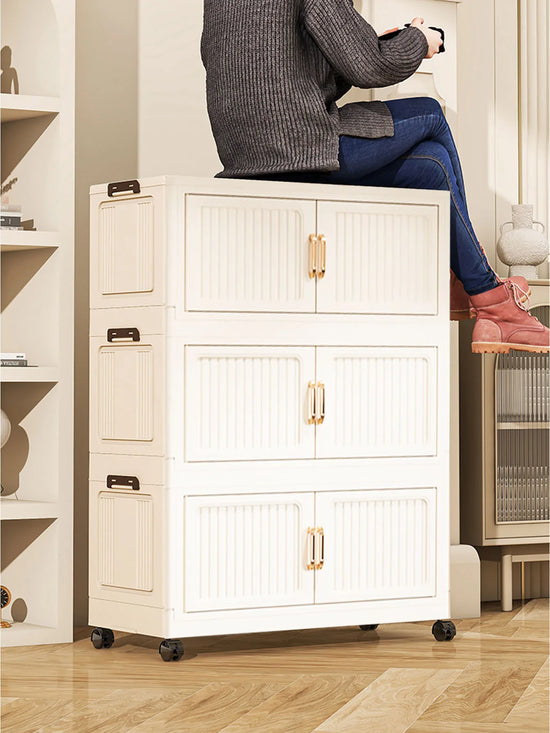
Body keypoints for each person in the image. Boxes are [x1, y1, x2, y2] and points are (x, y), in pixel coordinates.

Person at [201, 0, 549, 354]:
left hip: (249, 157)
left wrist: (376, 44)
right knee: (430, 113)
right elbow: (370, 67)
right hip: (302, 149)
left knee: (433, 164)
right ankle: (484, 294)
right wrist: (418, 40)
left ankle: (474, 288)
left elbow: (289, 79)